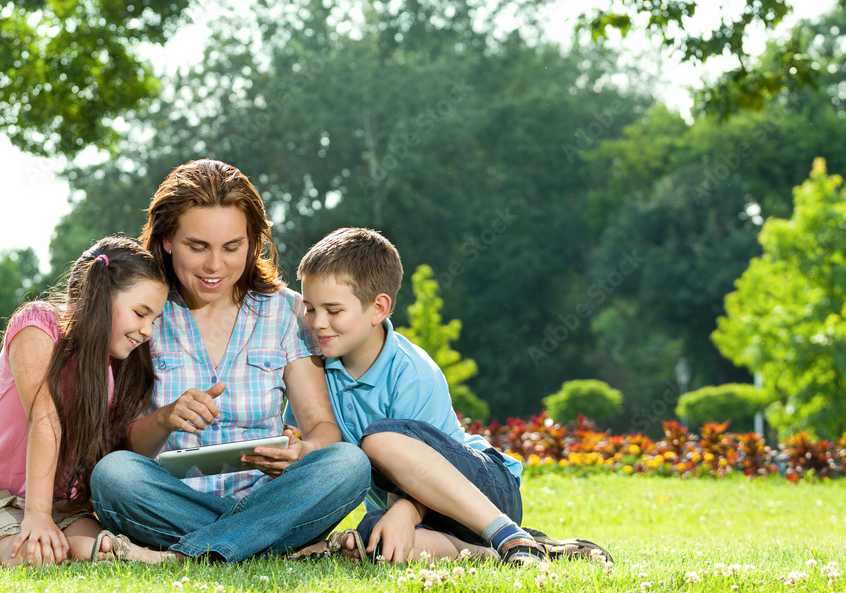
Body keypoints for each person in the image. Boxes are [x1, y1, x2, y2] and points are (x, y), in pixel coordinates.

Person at [88, 159, 370, 563]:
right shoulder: (146, 312)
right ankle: (264, 544)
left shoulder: (285, 313)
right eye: (197, 246)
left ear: (253, 242)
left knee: (349, 463)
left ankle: (189, 555)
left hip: (272, 494)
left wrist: (302, 451)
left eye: (232, 247)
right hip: (172, 497)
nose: (214, 266)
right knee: (113, 475)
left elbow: (323, 428)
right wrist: (167, 417)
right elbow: (127, 444)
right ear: (167, 240)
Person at [288, 227, 613, 566]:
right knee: (372, 540)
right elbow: (317, 453)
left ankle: (508, 535)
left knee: (380, 442)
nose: (318, 323)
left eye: (333, 310)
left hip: (480, 491)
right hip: (422, 514)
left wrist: (406, 512)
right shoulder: (315, 370)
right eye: (309, 309)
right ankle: (514, 552)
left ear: (378, 308)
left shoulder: (411, 372)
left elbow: (427, 467)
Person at [0, 236, 177, 567]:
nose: (147, 330)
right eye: (140, 313)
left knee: (96, 550)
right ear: (102, 297)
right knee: (39, 558)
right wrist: (36, 516)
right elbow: (45, 421)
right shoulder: (37, 325)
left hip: (59, 503)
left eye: (153, 319)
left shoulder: (105, 367)